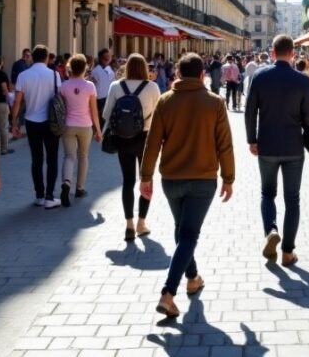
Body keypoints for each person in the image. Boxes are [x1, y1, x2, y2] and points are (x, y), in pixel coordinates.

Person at [140, 54, 235, 318]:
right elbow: (224, 144)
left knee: (182, 231)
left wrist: (145, 176)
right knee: (189, 234)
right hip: (203, 179)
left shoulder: (165, 100)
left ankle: (193, 278)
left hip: (171, 178)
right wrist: (229, 178)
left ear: (178, 74)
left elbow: (153, 142)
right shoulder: (215, 103)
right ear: (202, 74)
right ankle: (168, 293)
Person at [245, 35, 309, 267]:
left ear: (272, 53)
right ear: (292, 53)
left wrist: (251, 139)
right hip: (294, 146)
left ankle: (271, 230)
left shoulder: (259, 76)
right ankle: (287, 252)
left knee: (267, 193)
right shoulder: (302, 81)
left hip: (267, 145)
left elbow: (249, 111)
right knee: (292, 199)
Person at [104, 54, 162, 241]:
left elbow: (106, 113)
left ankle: (128, 224)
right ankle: (141, 222)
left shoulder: (115, 86)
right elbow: (159, 116)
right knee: (146, 179)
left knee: (127, 181)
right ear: (144, 68)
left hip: (122, 139)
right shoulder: (152, 87)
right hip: (145, 138)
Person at [11, 45, 63, 209]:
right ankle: (49, 195)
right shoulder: (55, 75)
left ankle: (39, 195)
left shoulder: (23, 75)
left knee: (36, 159)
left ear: (32, 57)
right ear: (47, 57)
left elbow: (18, 101)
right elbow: (60, 98)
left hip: (31, 122)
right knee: (52, 158)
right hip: (50, 122)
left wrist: (14, 123)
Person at [59, 54, 102, 208]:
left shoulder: (63, 86)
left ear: (70, 68)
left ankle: (66, 183)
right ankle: (80, 188)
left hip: (68, 125)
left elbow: (61, 108)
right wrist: (98, 130)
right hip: (85, 125)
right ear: (85, 68)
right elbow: (94, 111)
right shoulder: (90, 86)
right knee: (83, 156)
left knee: (69, 156)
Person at [91, 49, 116, 117]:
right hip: (100, 98)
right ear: (102, 58)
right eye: (107, 56)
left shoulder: (110, 69)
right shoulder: (96, 70)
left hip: (109, 97)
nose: (109, 57)